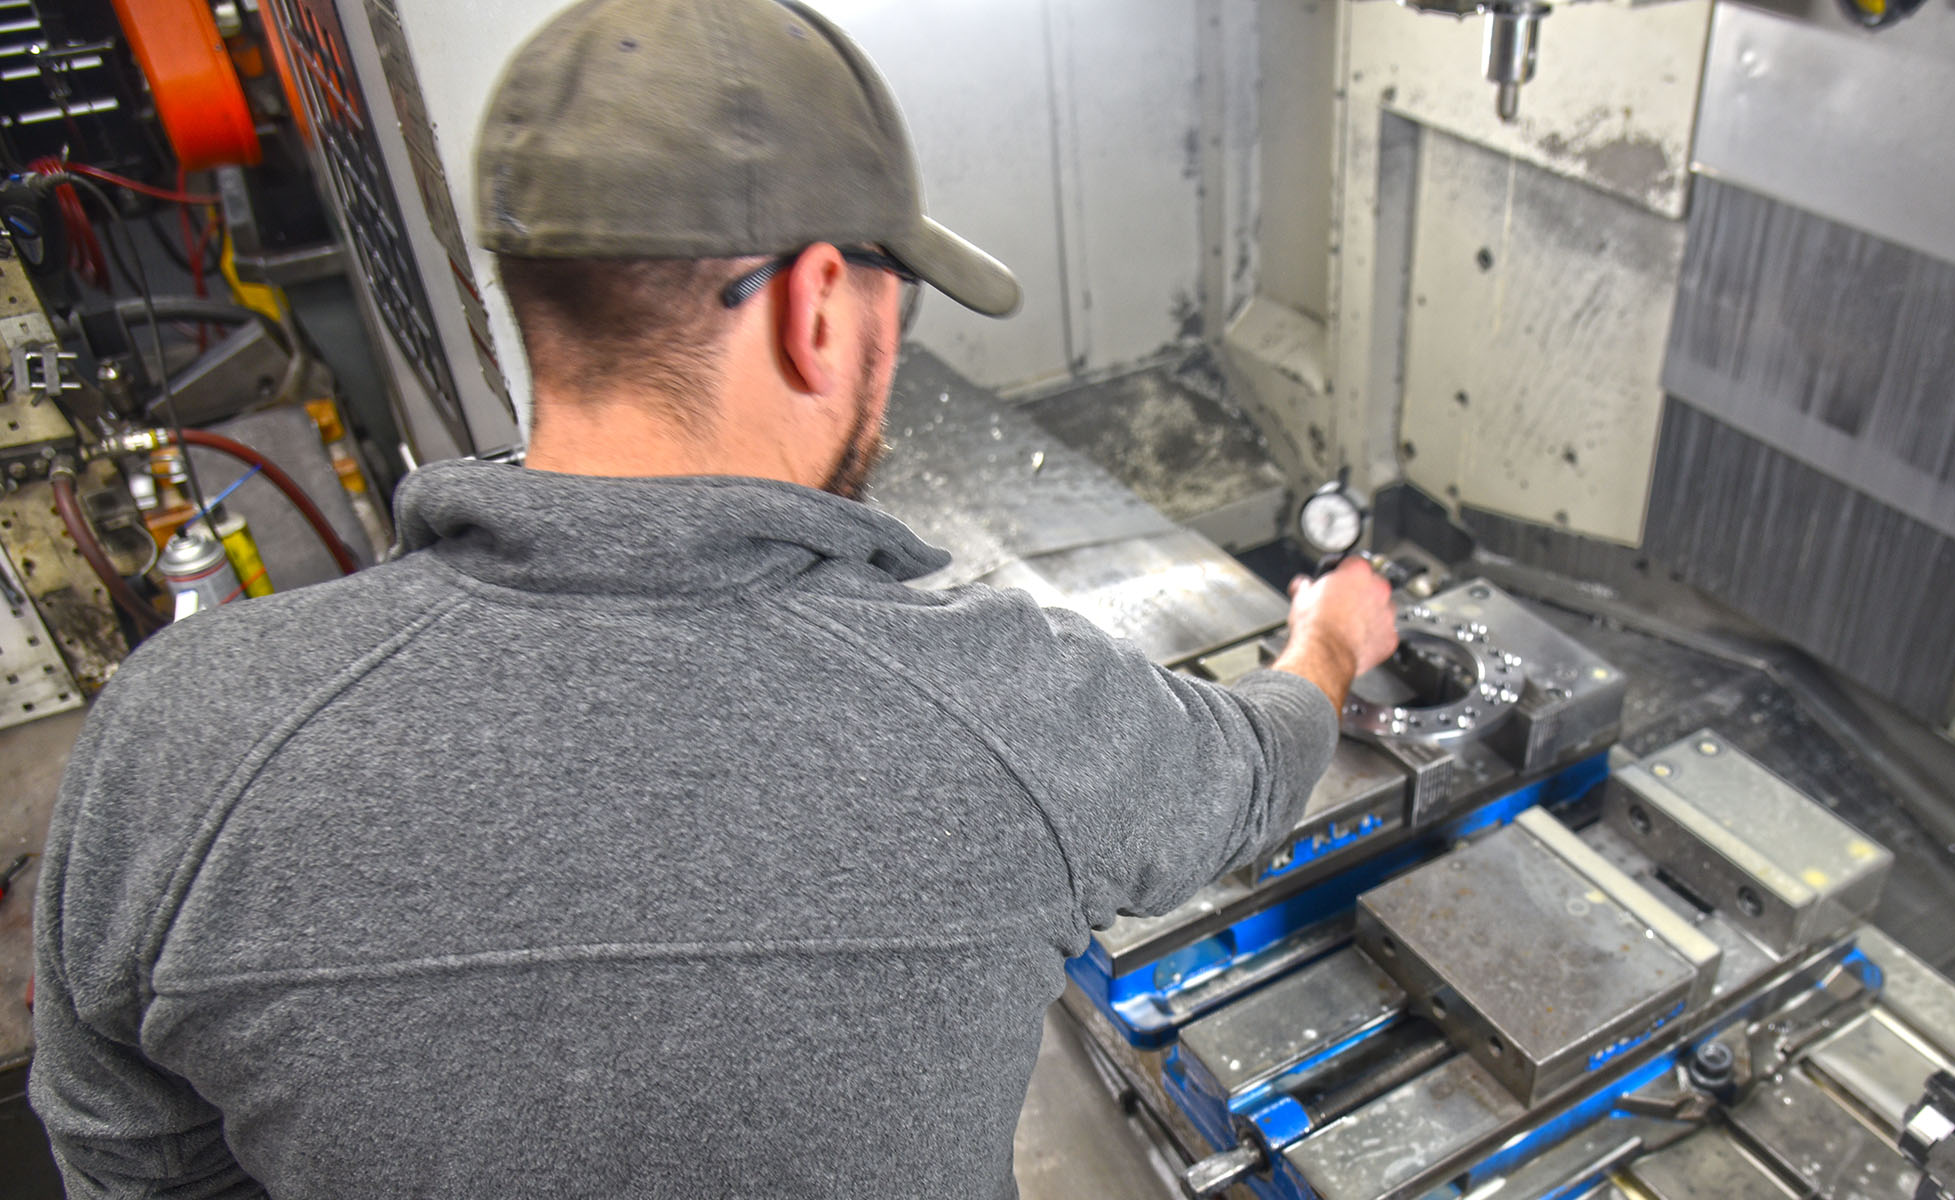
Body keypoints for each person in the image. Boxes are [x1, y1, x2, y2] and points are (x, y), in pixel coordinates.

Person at [28, 0, 1397, 1195]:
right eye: (892, 309)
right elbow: (1248, 776)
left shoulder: (175, 739)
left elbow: (134, 1158)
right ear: (816, 308)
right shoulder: (1014, 711)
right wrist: (1328, 642)